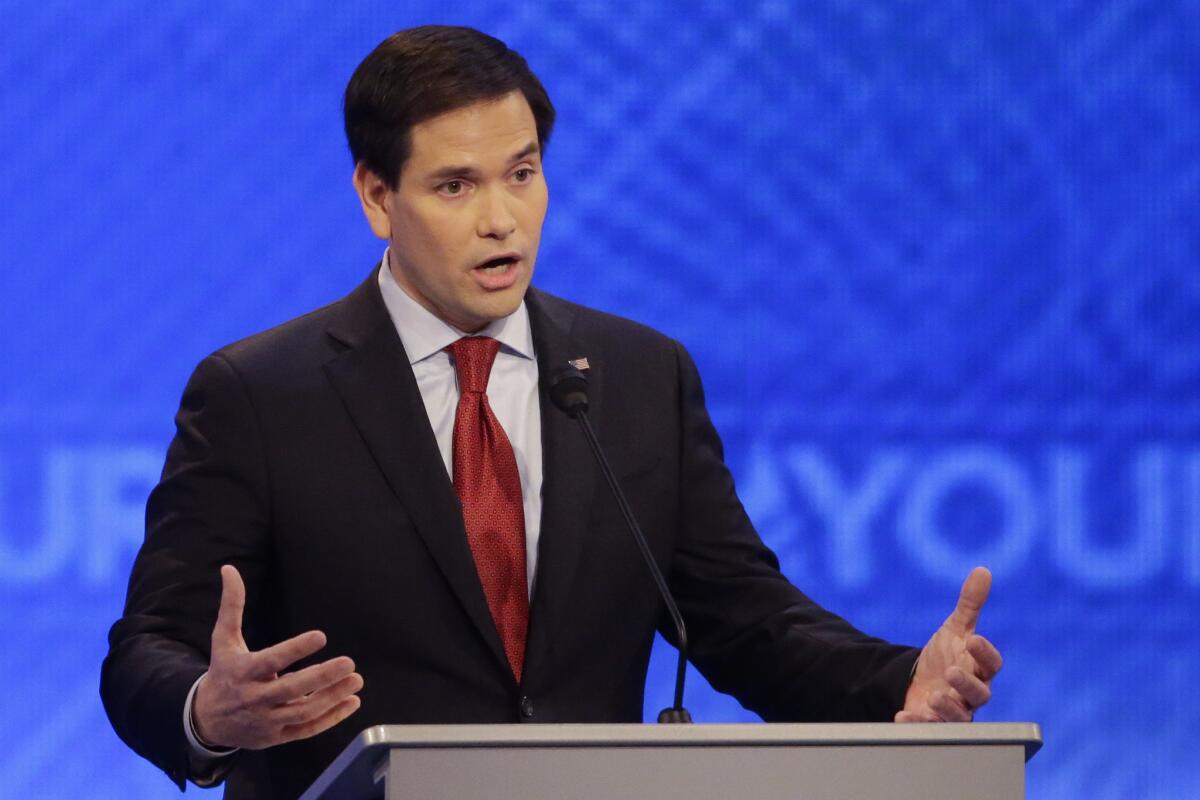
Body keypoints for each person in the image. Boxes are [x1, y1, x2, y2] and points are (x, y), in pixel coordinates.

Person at [100, 25, 1003, 799]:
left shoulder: (638, 374)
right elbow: (148, 648)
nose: (504, 220)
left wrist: (897, 680)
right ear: (378, 197)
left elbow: (743, 619)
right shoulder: (263, 393)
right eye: (457, 186)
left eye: (522, 174)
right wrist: (206, 714)